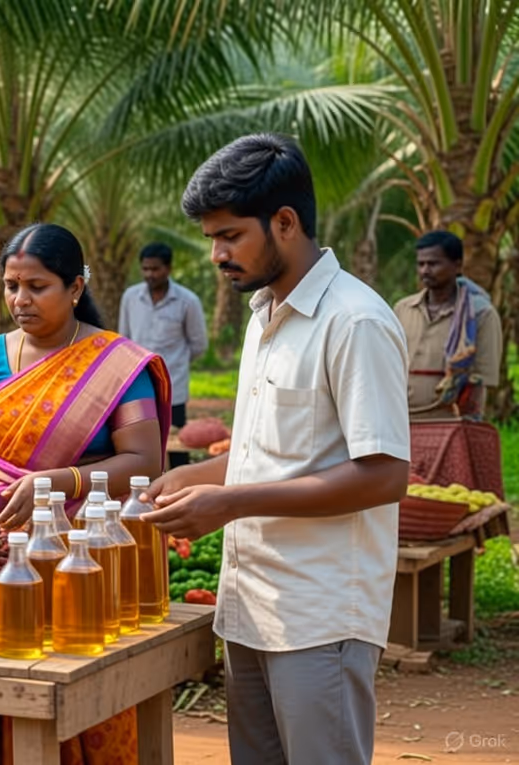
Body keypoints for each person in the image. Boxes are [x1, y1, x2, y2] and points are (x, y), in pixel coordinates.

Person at [141, 134, 410, 765]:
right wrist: (193, 478)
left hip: (320, 614)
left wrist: (230, 504)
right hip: (250, 606)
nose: (216, 254)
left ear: (285, 223)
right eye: (211, 238)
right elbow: (268, 452)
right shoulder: (264, 315)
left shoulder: (355, 322)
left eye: (230, 236)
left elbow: (383, 476)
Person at [0, 222, 172, 765]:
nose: (20, 300)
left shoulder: (115, 366)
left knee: (83, 685)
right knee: (2, 679)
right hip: (4, 556)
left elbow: (144, 461)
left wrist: (58, 483)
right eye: (11, 286)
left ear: (75, 287)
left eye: (37, 286)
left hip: (88, 555)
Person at [393, 230, 501, 420]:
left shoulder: (480, 314)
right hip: (401, 419)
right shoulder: (403, 309)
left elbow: (483, 377)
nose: (425, 270)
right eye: (421, 264)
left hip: (451, 420)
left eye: (433, 264)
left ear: (457, 266)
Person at [118, 242, 208, 466]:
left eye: (155, 269)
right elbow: (124, 339)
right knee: (139, 444)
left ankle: (180, 484)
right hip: (139, 384)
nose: (150, 274)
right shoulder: (130, 297)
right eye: (145, 269)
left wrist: (176, 364)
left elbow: (198, 344)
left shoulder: (188, 301)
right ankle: (144, 485)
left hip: (174, 387)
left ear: (168, 268)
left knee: (178, 446)